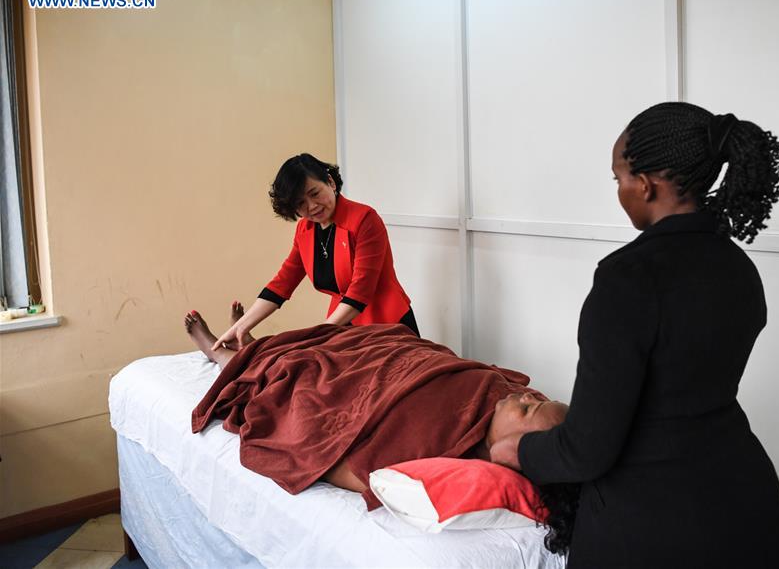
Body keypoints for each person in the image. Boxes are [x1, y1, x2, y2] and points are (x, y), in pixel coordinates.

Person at [490, 102, 779, 567]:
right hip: (747, 502)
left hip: (655, 522)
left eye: (619, 179)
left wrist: (520, 449)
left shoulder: (627, 278)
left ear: (645, 185)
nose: (620, 191)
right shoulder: (739, 267)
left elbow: (588, 449)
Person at [185, 308, 574, 552]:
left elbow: (356, 466)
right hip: (404, 358)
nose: (526, 396)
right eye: (536, 398)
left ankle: (226, 357)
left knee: (300, 374)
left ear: (510, 449)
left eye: (528, 408)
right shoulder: (505, 396)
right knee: (363, 340)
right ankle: (256, 351)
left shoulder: (443, 447)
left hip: (370, 388)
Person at [212, 153, 416, 353]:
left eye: (315, 193)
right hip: (344, 324)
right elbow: (282, 284)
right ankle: (243, 344)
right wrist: (241, 326)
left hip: (385, 324)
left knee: (305, 356)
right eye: (300, 203)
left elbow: (360, 291)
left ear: (330, 182)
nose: (311, 207)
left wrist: (316, 338)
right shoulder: (305, 230)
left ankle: (254, 350)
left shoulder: (364, 219)